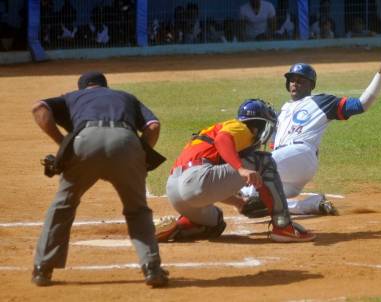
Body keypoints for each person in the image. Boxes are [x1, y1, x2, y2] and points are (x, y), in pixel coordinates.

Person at [31, 72, 168, 287]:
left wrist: (63, 146)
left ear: (83, 88)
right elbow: (153, 126)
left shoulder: (72, 97)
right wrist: (140, 155)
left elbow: (39, 108)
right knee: (137, 210)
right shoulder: (125, 97)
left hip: (86, 141)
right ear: (105, 86)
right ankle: (151, 267)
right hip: (126, 142)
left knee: (63, 205)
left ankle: (43, 268)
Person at [239, 50, 381, 217]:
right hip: (287, 168)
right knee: (252, 200)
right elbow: (273, 145)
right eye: (292, 80)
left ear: (311, 85)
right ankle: (312, 204)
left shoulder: (322, 102)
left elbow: (362, 104)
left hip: (302, 154)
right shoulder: (282, 112)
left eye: (300, 80)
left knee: (252, 168)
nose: (295, 83)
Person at [156, 99, 316, 243]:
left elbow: (207, 183)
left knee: (215, 223)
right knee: (264, 161)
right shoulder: (241, 128)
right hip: (195, 180)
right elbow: (222, 140)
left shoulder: (218, 136)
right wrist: (241, 169)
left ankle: (177, 226)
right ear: (258, 125)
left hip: (175, 191)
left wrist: (238, 202)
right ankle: (283, 226)